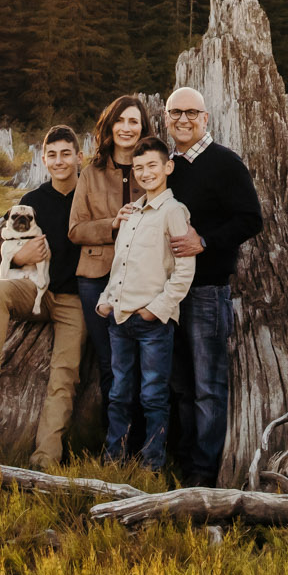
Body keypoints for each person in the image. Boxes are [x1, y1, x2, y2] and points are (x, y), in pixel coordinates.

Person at [0, 126, 86, 465]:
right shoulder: (32, 202)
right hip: (33, 288)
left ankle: (45, 459)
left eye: (67, 154)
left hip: (74, 300)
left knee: (63, 376)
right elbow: (8, 245)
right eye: (52, 155)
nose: (59, 161)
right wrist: (20, 258)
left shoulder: (90, 196)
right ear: (43, 159)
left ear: (80, 157)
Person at [161, 85, 263, 485]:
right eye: (175, 113)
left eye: (191, 113)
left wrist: (204, 241)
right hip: (169, 293)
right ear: (166, 118)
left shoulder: (225, 163)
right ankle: (183, 461)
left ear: (206, 119)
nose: (183, 119)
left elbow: (250, 219)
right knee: (180, 386)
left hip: (207, 292)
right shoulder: (166, 166)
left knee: (207, 386)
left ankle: (203, 473)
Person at [95, 136, 194, 471]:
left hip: (152, 322)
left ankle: (152, 464)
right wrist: (106, 300)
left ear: (168, 167)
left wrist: (157, 309)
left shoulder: (174, 212)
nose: (145, 172)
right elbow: (120, 262)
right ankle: (114, 458)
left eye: (152, 165)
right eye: (139, 168)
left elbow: (184, 271)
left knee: (153, 395)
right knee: (119, 394)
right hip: (119, 320)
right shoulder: (132, 212)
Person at [67, 93, 150, 448]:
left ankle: (149, 444)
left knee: (147, 365)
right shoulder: (91, 173)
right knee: (110, 364)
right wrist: (111, 226)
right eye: (121, 120)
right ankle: (117, 445)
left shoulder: (154, 167)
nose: (127, 128)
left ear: (143, 127)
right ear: (109, 126)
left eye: (134, 121)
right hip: (96, 278)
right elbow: (75, 230)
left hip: (144, 277)